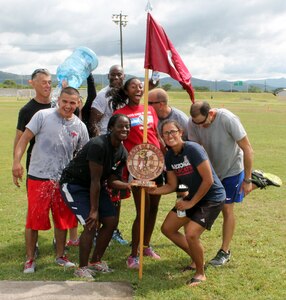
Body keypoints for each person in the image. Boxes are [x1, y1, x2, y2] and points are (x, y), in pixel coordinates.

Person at [188, 101, 282, 267]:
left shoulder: (227, 119)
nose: (199, 127)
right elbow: (196, 150)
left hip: (232, 169)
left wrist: (246, 179)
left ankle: (225, 251)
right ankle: (259, 180)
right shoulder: (193, 123)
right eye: (196, 123)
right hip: (212, 172)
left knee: (226, 207)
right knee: (205, 204)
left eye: (202, 123)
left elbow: (247, 148)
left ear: (210, 114)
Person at [12, 87, 89, 273]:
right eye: (65, 101)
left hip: (63, 181)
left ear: (78, 103)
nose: (68, 106)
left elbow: (85, 155)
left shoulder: (80, 126)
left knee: (62, 220)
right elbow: (23, 140)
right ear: (58, 100)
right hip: (39, 177)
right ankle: (30, 259)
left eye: (73, 102)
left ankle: (61, 256)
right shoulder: (42, 116)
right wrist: (16, 162)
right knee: (34, 219)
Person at [147, 119, 226, 286]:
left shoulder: (193, 149)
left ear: (180, 132)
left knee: (191, 233)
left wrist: (190, 203)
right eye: (165, 133)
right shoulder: (169, 156)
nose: (169, 136)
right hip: (194, 197)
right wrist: (152, 190)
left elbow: (208, 180)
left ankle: (200, 272)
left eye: (172, 132)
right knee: (168, 228)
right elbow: (172, 185)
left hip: (212, 197)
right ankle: (196, 258)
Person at [60, 114, 131, 279]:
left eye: (127, 126)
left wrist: (130, 185)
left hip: (95, 186)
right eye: (120, 126)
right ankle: (82, 267)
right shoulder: (98, 145)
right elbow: (94, 179)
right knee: (91, 223)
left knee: (111, 220)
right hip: (74, 184)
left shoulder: (122, 152)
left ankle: (95, 261)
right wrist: (93, 210)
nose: (125, 129)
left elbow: (112, 180)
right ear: (111, 128)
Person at [111, 77, 164, 269]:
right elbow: (117, 142)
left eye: (141, 86)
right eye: (133, 86)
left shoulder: (150, 110)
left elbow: (155, 134)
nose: (138, 89)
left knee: (153, 209)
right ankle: (133, 255)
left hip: (156, 164)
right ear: (126, 91)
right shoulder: (120, 113)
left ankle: (145, 246)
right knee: (142, 210)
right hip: (137, 167)